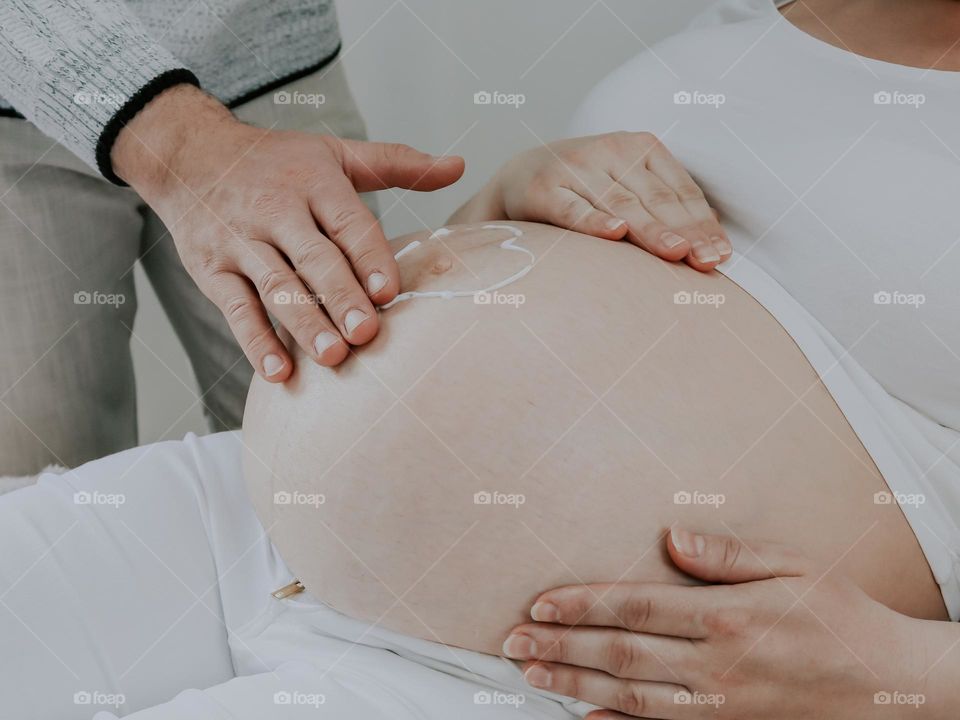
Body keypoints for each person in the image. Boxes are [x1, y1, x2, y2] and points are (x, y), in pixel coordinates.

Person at [0, 0, 464, 475]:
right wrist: (181, 146)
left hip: (267, 65)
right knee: (39, 480)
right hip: (14, 105)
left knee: (336, 447)